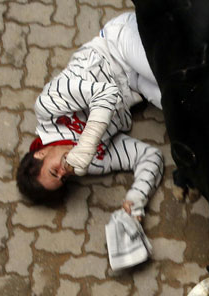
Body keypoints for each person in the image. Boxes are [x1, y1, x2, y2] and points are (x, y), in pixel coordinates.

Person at [16, 12, 164, 221]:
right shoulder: (91, 163)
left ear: (41, 154)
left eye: (53, 171)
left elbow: (106, 94)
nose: (63, 172)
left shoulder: (48, 108)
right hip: (135, 84)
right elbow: (149, 157)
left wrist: (86, 145)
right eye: (62, 179)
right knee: (188, 105)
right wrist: (137, 198)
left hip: (117, 46)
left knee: (179, 78)